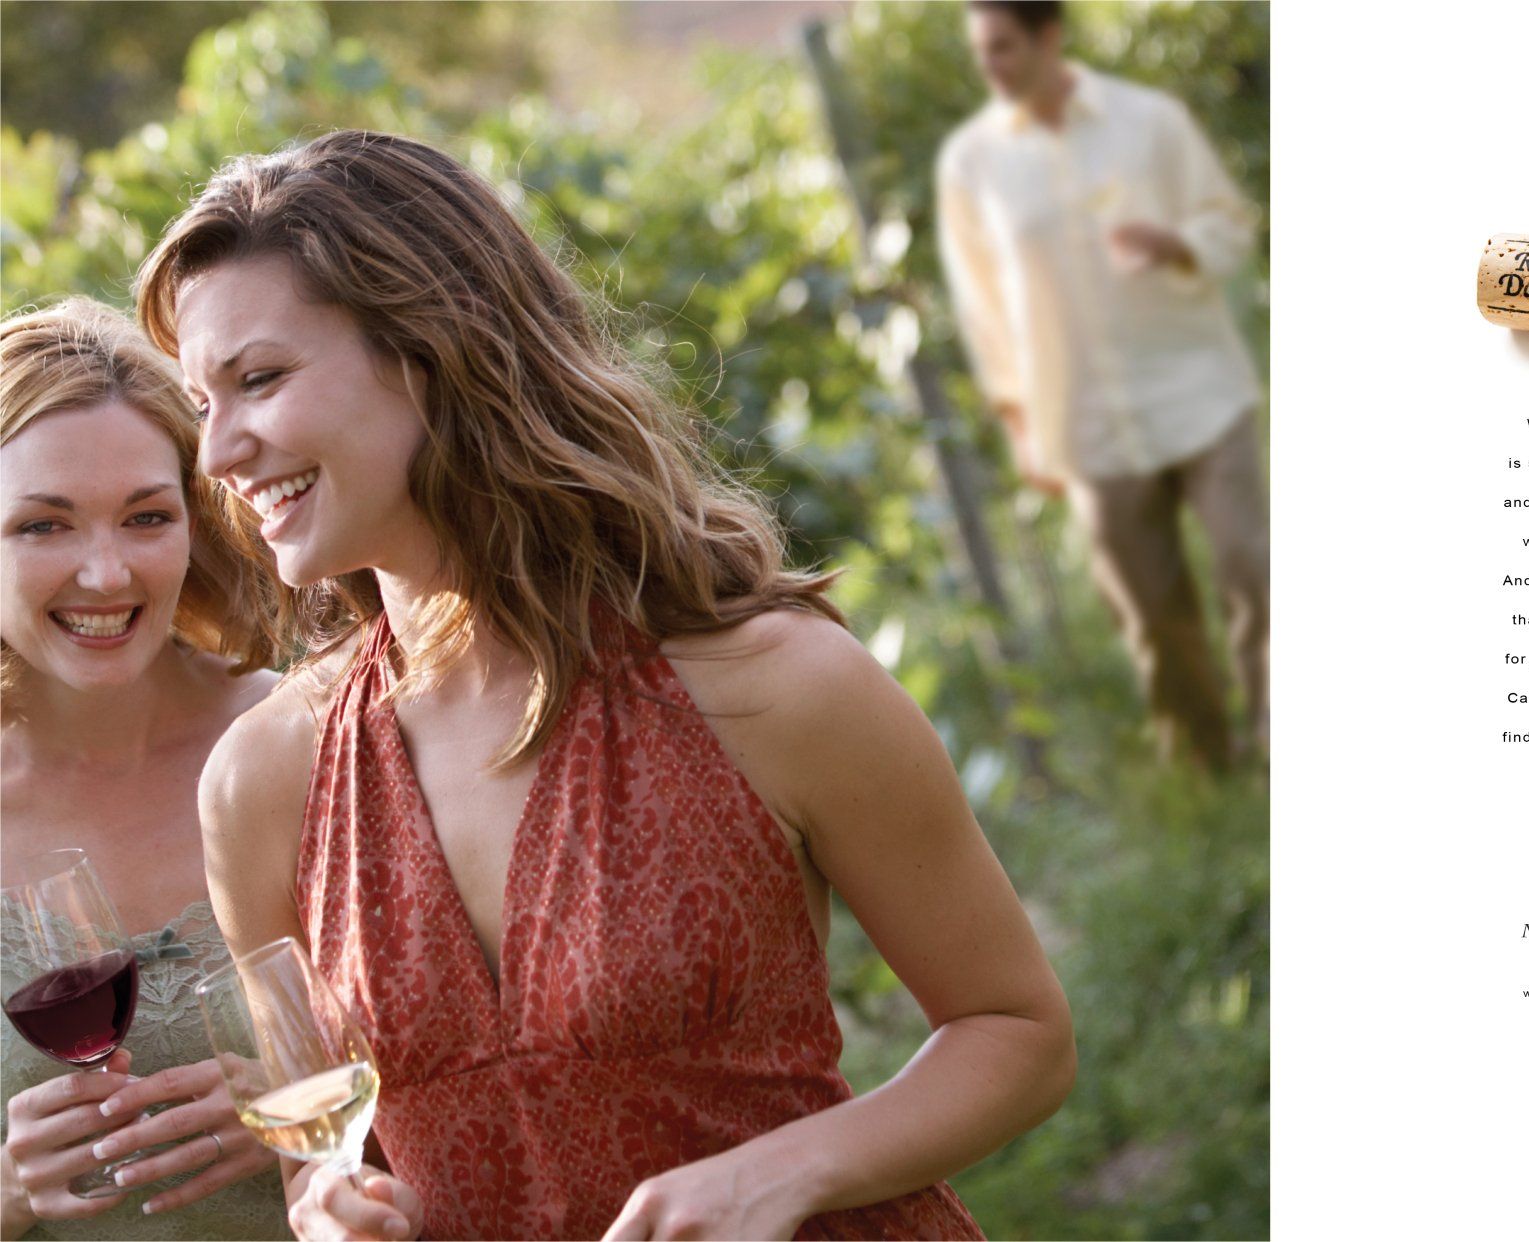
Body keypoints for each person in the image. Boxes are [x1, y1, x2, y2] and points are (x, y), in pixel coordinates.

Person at [130, 129, 1076, 1241]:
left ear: (432, 349)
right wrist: (332, 1207)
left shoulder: (769, 687)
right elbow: (321, 1149)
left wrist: (778, 1174)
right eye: (203, 402)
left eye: (262, 379)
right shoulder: (264, 779)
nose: (219, 454)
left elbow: (1017, 1031)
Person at [0, 300, 289, 1240]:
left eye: (146, 516)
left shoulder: (307, 741)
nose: (106, 574)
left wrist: (309, 1119)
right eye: (44, 527)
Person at [938, 0, 1270, 768]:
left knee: (1252, 571)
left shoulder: (1149, 121)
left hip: (1198, 389)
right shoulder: (971, 163)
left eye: (1003, 49)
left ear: (1050, 38)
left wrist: (1178, 243)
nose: (990, 68)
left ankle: (1282, 748)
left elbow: (1229, 223)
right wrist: (1020, 422)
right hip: (1084, 421)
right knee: (1153, 619)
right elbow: (985, 309)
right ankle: (1207, 773)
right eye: (980, 53)